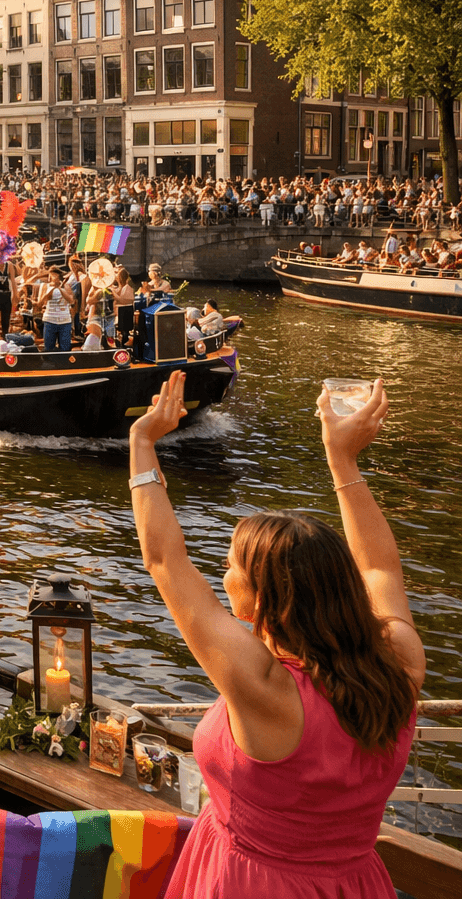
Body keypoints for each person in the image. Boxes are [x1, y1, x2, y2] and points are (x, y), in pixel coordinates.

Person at [130, 374, 422, 899]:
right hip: (354, 885)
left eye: (228, 566)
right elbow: (379, 568)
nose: (219, 574)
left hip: (248, 883)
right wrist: (342, 458)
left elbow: (164, 560)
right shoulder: (398, 663)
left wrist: (141, 442)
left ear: (261, 601)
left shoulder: (265, 688)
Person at [37, 267, 75, 352]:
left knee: (65, 348)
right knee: (48, 348)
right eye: (50, 275)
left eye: (54, 275)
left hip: (64, 321)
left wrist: (60, 289)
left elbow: (71, 301)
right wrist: (51, 290)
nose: (52, 277)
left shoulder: (65, 286)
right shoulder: (44, 286)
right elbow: (40, 303)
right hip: (50, 320)